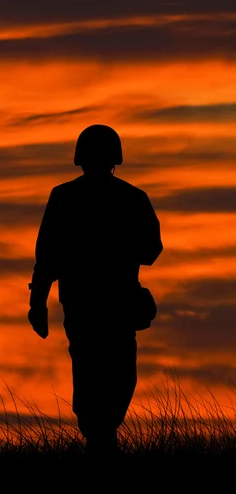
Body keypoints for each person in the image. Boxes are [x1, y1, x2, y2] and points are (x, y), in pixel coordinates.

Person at [28, 124, 163, 461]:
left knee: (98, 375)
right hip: (101, 306)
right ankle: (100, 439)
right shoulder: (129, 198)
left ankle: (99, 436)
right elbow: (47, 257)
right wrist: (37, 303)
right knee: (107, 376)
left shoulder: (72, 197)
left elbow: (47, 258)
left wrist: (38, 304)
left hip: (95, 305)